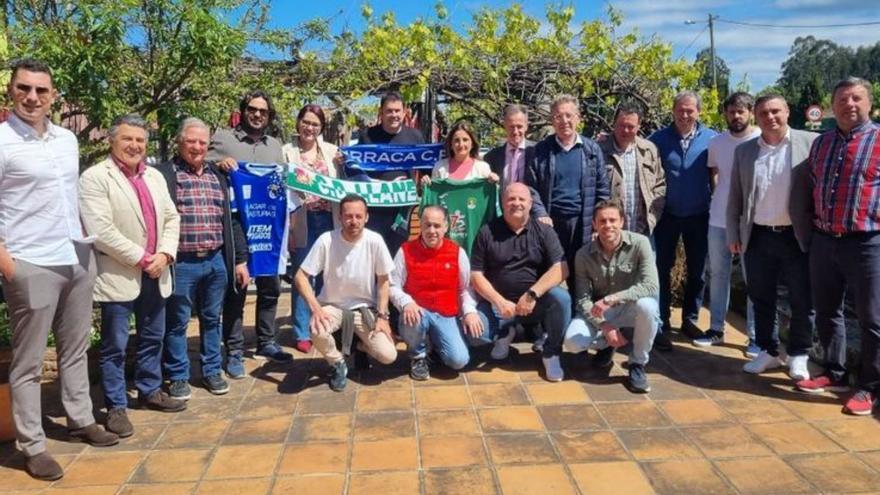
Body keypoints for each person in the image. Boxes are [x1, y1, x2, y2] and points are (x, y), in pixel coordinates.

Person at [0, 58, 118, 481]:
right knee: (29, 361)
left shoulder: (67, 140)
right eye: (24, 89)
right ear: (12, 91)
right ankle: (31, 445)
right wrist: (6, 260)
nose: (32, 97)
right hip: (30, 261)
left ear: (53, 97)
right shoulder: (1, 142)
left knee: (75, 347)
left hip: (75, 255)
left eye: (41, 91)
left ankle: (81, 418)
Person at [79, 114, 186, 440]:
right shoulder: (95, 177)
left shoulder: (154, 176)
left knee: (153, 337)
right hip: (120, 274)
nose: (135, 146)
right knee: (115, 346)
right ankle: (116, 406)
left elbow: (171, 216)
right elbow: (101, 231)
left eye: (140, 140)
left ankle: (150, 389)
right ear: (112, 140)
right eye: (128, 139)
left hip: (157, 270)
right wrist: (142, 258)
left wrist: (165, 254)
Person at [797, 77, 880, 416]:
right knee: (828, 311)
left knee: (872, 318)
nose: (849, 105)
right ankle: (835, 372)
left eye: (856, 98)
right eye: (842, 100)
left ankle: (870, 387)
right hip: (825, 240)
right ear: (832, 107)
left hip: (867, 243)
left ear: (869, 103)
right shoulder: (822, 144)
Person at [726, 94, 816, 380]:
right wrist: (733, 233)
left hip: (796, 236)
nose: (770, 117)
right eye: (763, 113)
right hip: (758, 236)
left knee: (803, 298)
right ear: (756, 116)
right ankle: (769, 351)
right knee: (761, 297)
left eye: (776, 111)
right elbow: (735, 198)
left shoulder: (810, 144)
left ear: (787, 111)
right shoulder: (745, 152)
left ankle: (799, 353)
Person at [158, 118, 249, 400]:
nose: (197, 147)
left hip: (215, 261)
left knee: (213, 319)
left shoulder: (218, 176)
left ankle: (211, 370)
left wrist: (240, 260)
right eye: (191, 141)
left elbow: (232, 220)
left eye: (202, 142)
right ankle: (178, 376)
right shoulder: (164, 174)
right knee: (177, 322)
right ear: (179, 142)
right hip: (181, 262)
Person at [208, 89, 293, 378]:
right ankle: (233, 351)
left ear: (269, 116)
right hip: (237, 226)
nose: (258, 115)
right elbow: (201, 166)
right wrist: (218, 165)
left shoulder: (276, 146)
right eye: (253, 110)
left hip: (268, 225)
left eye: (263, 111)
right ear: (243, 111)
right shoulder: (223, 139)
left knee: (271, 287)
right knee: (238, 288)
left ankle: (266, 341)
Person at [294, 194, 398, 391]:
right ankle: (337, 362)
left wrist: (383, 316)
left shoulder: (375, 240)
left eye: (359, 216)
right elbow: (300, 277)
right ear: (340, 217)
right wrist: (316, 309)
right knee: (316, 329)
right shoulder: (327, 240)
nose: (353, 221)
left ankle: (358, 346)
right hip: (332, 307)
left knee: (388, 356)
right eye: (348, 216)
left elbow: (384, 281)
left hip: (364, 309)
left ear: (367, 217)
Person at [470, 183, 571, 381]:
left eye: (521, 199)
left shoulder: (544, 231)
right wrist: (498, 301)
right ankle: (504, 332)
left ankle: (551, 353)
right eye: (511, 199)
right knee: (475, 335)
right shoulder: (487, 232)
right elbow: (476, 275)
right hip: (499, 305)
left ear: (531, 203)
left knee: (562, 298)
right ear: (503, 203)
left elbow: (562, 268)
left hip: (535, 303)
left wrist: (532, 294)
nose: (516, 203)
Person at [563, 199, 660, 393]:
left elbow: (650, 286)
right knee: (572, 342)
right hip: (602, 312)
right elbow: (582, 299)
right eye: (602, 221)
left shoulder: (640, 244)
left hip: (630, 307)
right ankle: (607, 345)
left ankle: (637, 364)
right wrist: (604, 325)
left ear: (622, 222)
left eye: (613, 220)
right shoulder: (583, 255)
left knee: (648, 306)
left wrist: (614, 298)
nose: (608, 225)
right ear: (594, 224)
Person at [649, 91, 718, 350]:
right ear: (673, 111)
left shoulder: (713, 139)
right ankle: (663, 319)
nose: (685, 115)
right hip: (667, 215)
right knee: (661, 268)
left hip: (700, 215)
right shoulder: (658, 139)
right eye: (680, 110)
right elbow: (634, 147)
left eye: (690, 110)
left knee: (697, 270)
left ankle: (690, 319)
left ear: (698, 112)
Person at [694, 92, 761, 353]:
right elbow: (714, 174)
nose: (736, 116)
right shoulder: (716, 142)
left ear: (750, 112)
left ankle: (756, 336)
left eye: (741, 111)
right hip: (719, 218)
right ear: (726, 113)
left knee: (753, 278)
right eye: (732, 111)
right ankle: (716, 329)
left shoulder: (760, 139)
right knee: (718, 274)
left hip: (752, 222)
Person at [525, 94, 610, 294]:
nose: (564, 121)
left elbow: (602, 190)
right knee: (549, 273)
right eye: (558, 116)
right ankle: (548, 322)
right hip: (551, 223)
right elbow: (531, 187)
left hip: (583, 223)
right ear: (552, 120)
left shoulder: (591, 150)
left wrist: (598, 223)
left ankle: (580, 320)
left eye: (568, 115)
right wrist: (540, 213)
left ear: (578, 117)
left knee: (581, 275)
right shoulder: (541, 150)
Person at [390, 206, 483, 379]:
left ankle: (434, 346)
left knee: (458, 361)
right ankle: (418, 356)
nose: (432, 231)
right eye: (427, 225)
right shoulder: (406, 250)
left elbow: (466, 288)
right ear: (421, 226)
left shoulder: (457, 253)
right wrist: (406, 302)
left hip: (446, 314)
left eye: (437, 226)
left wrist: (469, 311)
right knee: (412, 317)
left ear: (446, 227)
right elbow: (393, 285)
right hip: (418, 312)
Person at [282, 104, 342, 354]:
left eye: (315, 124)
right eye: (306, 122)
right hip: (302, 219)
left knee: (327, 273)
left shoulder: (331, 151)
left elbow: (345, 179)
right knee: (302, 273)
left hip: (329, 217)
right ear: (298, 123)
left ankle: (323, 322)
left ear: (321, 128)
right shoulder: (286, 152)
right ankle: (302, 331)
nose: (310, 127)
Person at [352, 91, 425, 256]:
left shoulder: (415, 136)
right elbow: (356, 168)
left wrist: (426, 179)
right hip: (374, 208)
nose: (394, 115)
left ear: (404, 112)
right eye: (389, 111)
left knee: (398, 255)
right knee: (372, 254)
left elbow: (426, 169)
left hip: (402, 210)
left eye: (397, 111)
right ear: (381, 113)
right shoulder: (367, 136)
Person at [598, 102, 665, 236]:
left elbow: (660, 185)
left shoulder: (649, 150)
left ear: (639, 126)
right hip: (610, 234)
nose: (626, 130)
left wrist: (652, 217)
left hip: (643, 232)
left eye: (631, 126)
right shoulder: (599, 150)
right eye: (621, 125)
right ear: (614, 124)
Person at [422, 120, 498, 184]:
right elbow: (433, 198)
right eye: (456, 140)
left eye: (465, 140)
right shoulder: (439, 168)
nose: (461, 145)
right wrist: (426, 185)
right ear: (451, 144)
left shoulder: (482, 168)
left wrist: (494, 181)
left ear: (472, 144)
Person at [482, 104, 535, 187]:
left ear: (526, 126)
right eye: (511, 127)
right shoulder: (491, 157)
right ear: (505, 126)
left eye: (519, 126)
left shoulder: (538, 152)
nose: (515, 131)